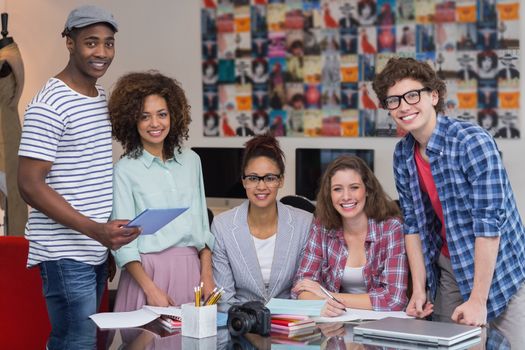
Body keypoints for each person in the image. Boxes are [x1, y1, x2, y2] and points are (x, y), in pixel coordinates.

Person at [372, 57, 525, 347]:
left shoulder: (472, 142)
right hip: (450, 266)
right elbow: (413, 227)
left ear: (434, 95)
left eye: (412, 95)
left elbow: (488, 224)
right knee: (446, 344)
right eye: (393, 100)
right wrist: (418, 290)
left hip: (500, 267)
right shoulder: (403, 155)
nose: (404, 106)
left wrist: (478, 300)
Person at [17, 5, 140, 349]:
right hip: (65, 252)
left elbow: (90, 175)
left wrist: (104, 243)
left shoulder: (99, 96)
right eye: (90, 42)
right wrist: (94, 230)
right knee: (76, 342)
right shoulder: (50, 104)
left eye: (108, 43)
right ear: (69, 42)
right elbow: (29, 184)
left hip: (93, 248)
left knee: (86, 342)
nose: (101, 52)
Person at [109, 71, 215, 312]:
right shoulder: (124, 170)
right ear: (132, 121)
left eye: (162, 114)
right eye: (144, 116)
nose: (155, 124)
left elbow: (202, 227)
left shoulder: (192, 161)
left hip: (191, 272)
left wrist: (206, 274)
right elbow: (125, 243)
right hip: (146, 276)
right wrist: (150, 289)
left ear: (173, 116)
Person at [292, 156, 407, 317]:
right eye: (337, 189)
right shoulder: (321, 227)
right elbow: (301, 287)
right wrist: (320, 302)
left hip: (381, 325)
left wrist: (326, 296)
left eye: (354, 187)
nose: (346, 196)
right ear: (329, 194)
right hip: (334, 322)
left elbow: (394, 300)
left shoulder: (391, 228)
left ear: (367, 190)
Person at [212, 134, 313, 310]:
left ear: (281, 180)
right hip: (241, 323)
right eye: (253, 178)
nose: (261, 186)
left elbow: (303, 288)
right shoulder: (222, 226)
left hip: (291, 321)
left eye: (270, 178)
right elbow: (225, 297)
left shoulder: (304, 223)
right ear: (243, 181)